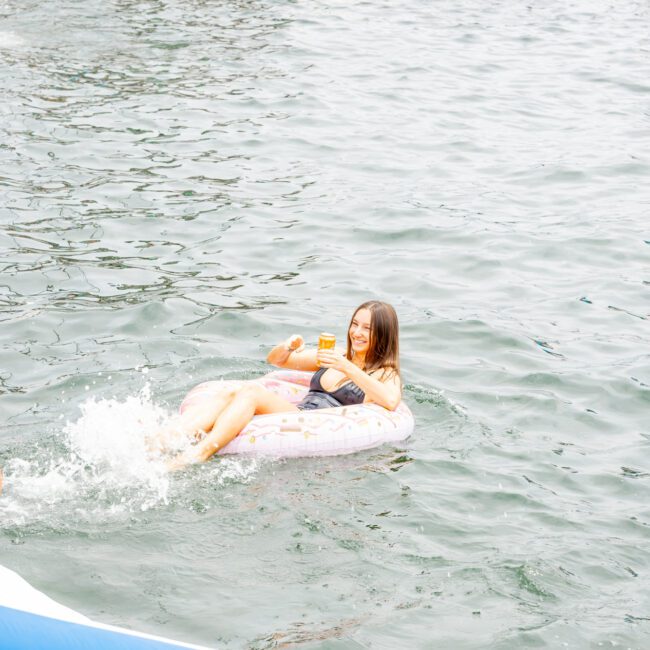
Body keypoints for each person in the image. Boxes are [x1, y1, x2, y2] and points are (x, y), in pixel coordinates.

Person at [160, 301, 401, 471]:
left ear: (383, 333)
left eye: (367, 328)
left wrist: (348, 368)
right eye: (354, 324)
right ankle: (165, 440)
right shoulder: (336, 354)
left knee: (252, 392)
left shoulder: (385, 373)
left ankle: (200, 454)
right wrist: (287, 346)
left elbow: (390, 401)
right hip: (298, 413)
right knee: (232, 391)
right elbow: (278, 360)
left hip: (318, 424)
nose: (356, 332)